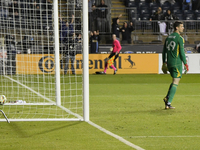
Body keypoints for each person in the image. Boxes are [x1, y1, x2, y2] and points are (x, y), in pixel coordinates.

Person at [162, 21, 189, 109]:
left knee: (174, 81)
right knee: (176, 82)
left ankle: (167, 98)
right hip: (176, 63)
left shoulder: (168, 37)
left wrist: (163, 63)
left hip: (169, 63)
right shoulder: (180, 38)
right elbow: (182, 52)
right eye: (181, 26)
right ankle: (168, 103)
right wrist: (185, 63)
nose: (183, 28)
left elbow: (164, 52)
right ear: (176, 28)